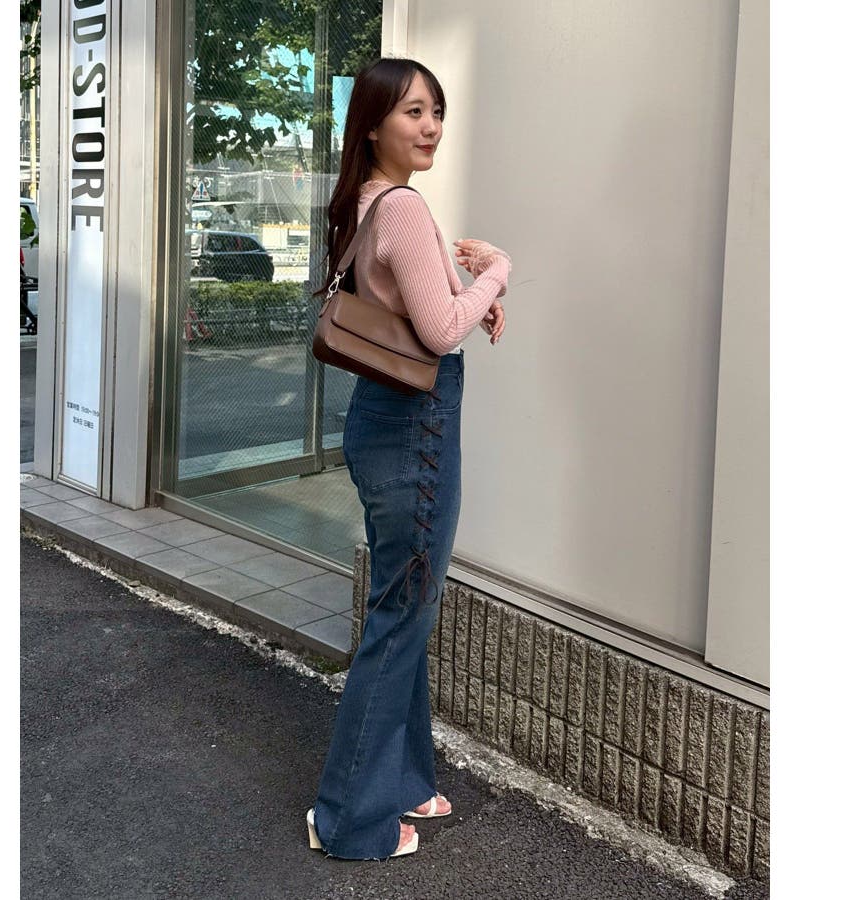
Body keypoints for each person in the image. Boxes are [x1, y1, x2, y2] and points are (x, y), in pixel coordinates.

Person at [307, 57, 511, 860]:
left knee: (405, 603)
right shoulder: (400, 207)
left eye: (436, 111)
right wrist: (497, 273)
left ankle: (402, 781)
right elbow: (440, 331)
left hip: (385, 422)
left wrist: (473, 298)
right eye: (413, 112)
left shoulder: (367, 203)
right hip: (413, 433)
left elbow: (421, 310)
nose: (430, 127)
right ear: (372, 125)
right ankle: (348, 821)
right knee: (401, 616)